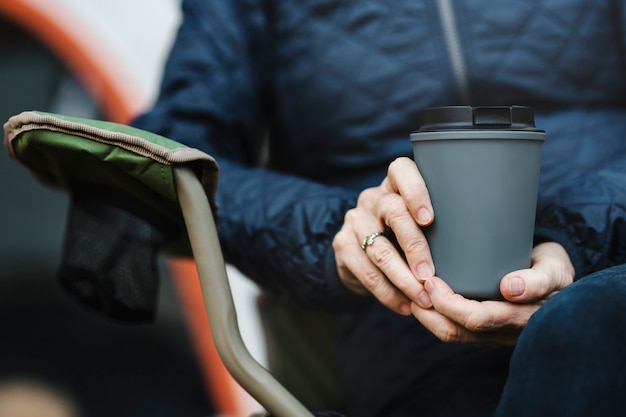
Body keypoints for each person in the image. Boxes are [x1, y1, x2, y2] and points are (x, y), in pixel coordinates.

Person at [132, 1, 626, 416]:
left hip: (611, 266)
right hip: (405, 328)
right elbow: (175, 155)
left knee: (578, 325)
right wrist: (343, 230)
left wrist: (581, 237)